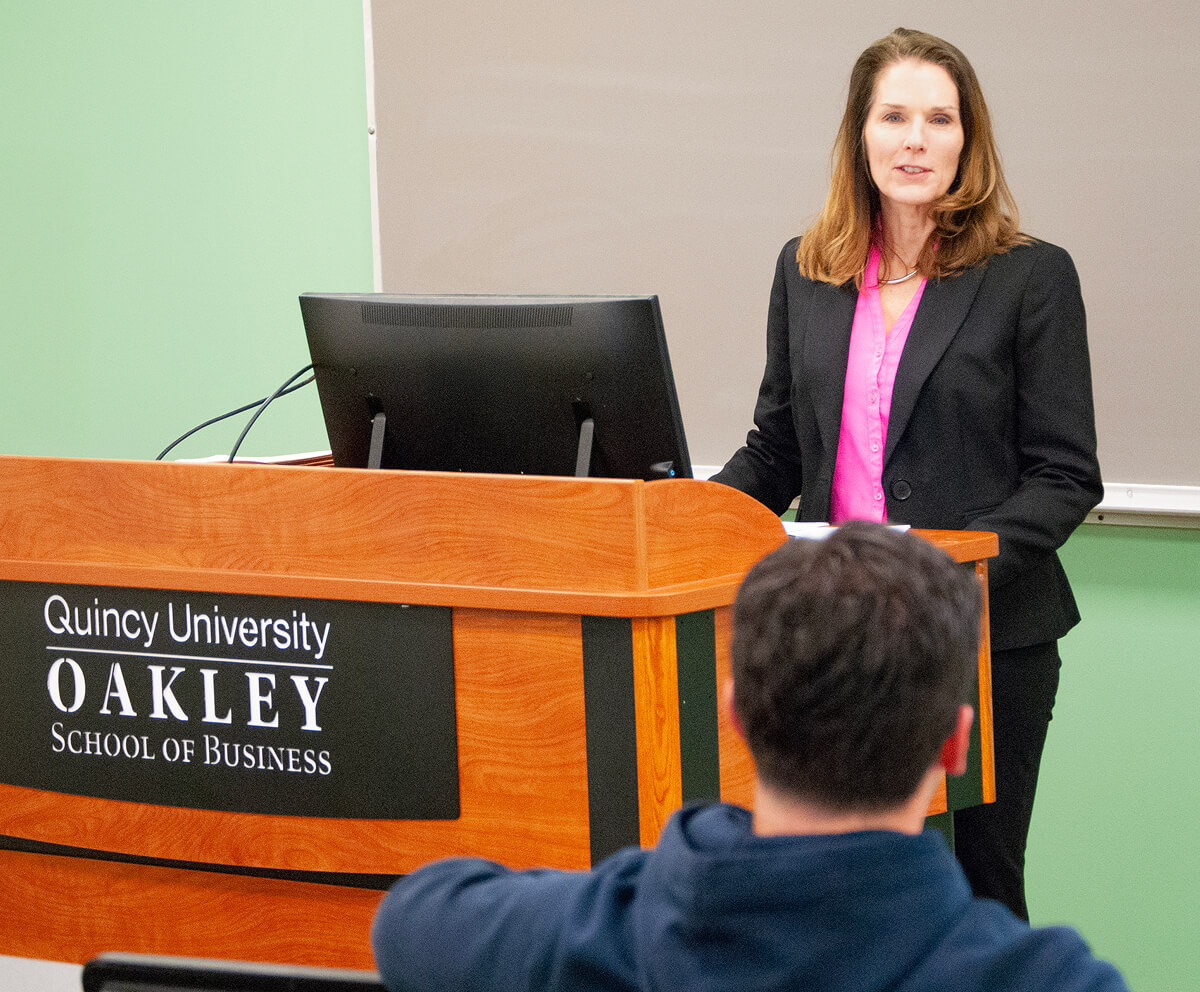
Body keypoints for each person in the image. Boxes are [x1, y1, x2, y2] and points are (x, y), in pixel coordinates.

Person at [371, 525, 1126, 991]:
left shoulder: (593, 937)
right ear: (955, 744)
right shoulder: (1047, 979)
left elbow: (411, 920)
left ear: (735, 716)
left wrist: (640, 882)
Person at [711, 27, 1103, 920]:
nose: (915, 139)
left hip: (983, 633)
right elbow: (776, 449)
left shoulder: (1029, 278)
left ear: (969, 140)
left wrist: (943, 571)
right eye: (894, 116)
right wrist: (680, 520)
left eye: (939, 118)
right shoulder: (806, 269)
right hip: (830, 634)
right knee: (831, 895)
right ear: (861, 134)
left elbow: (1065, 475)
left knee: (976, 894)